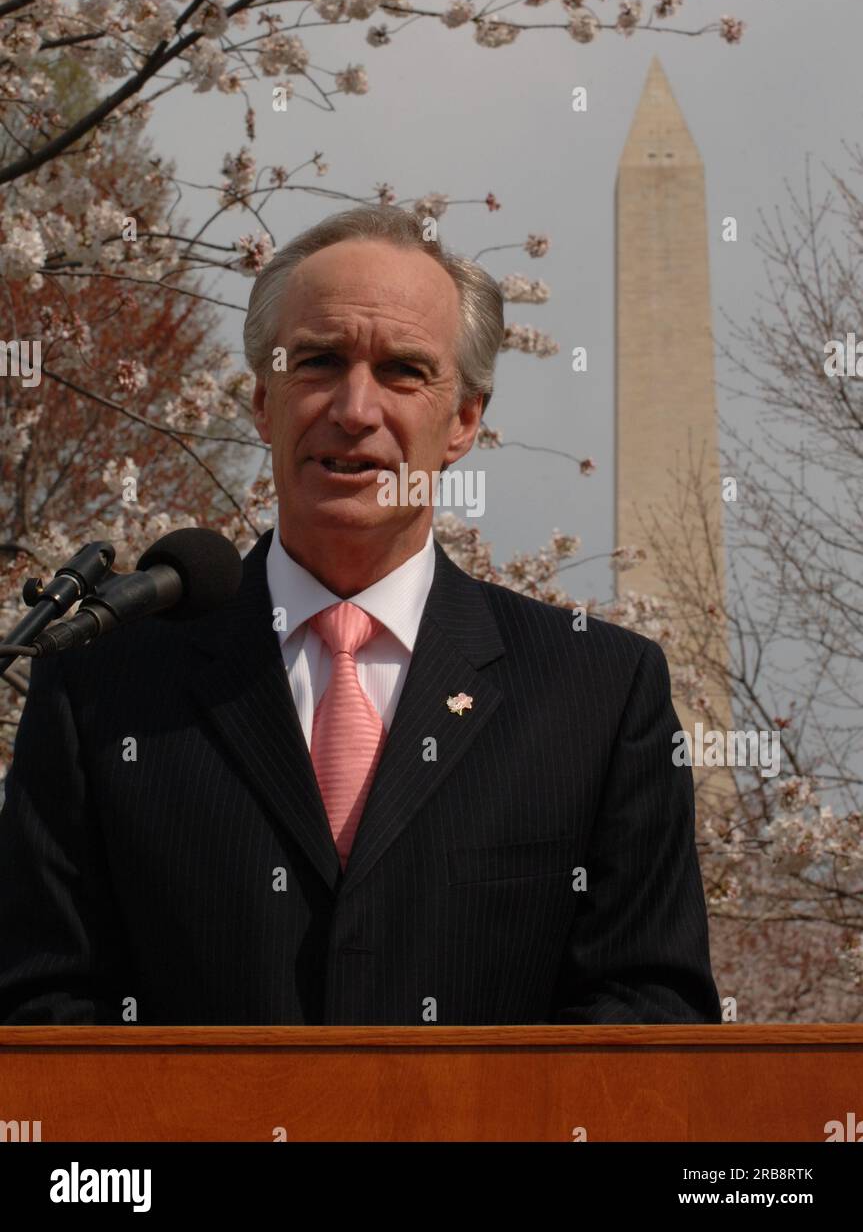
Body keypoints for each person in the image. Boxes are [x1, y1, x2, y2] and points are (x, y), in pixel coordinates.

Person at [0, 205, 721, 1025]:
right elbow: (41, 1007)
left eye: (403, 372)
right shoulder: (102, 685)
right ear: (262, 402)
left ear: (463, 422)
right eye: (318, 361)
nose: (353, 408)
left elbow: (648, 1011)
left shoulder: (597, 694)